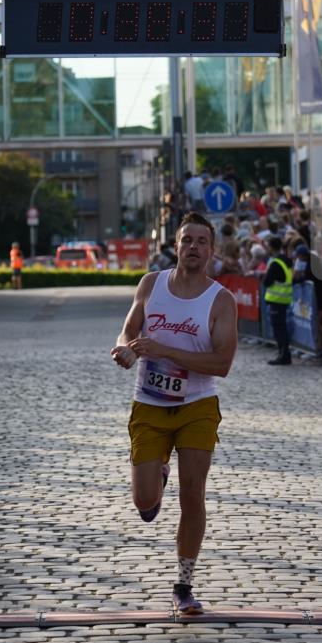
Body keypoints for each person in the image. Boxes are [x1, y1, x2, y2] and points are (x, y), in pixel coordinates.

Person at [110, 212, 238, 616]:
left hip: (197, 407)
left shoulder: (220, 300)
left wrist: (164, 350)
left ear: (212, 250)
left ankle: (184, 584)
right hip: (149, 404)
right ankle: (157, 475)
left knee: (192, 495)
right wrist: (125, 349)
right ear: (176, 246)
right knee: (145, 502)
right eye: (187, 240)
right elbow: (128, 330)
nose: (194, 247)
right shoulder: (151, 284)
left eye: (202, 241)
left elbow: (221, 364)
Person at [262, 235, 293, 365]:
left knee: (279, 329)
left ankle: (283, 355)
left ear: (271, 247)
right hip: (284, 299)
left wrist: (265, 275)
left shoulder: (275, 263)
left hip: (277, 299)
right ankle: (284, 353)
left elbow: (267, 282)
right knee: (282, 328)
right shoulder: (286, 260)